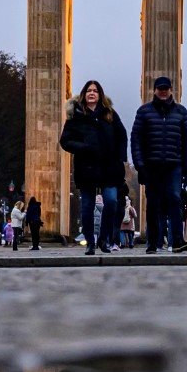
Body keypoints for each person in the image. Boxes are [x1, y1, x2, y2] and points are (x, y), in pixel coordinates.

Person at [61, 79, 130, 254]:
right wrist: (83, 147)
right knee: (87, 206)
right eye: (89, 90)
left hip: (109, 166)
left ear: (100, 95)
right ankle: (90, 241)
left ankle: (104, 239)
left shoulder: (109, 113)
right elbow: (65, 141)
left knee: (112, 202)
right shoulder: (75, 116)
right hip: (87, 167)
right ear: (84, 94)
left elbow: (122, 135)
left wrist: (121, 158)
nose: (92, 93)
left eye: (95, 91)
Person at [130, 76, 187, 254]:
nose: (164, 91)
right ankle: (153, 242)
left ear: (171, 89)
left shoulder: (181, 112)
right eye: (160, 88)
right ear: (155, 90)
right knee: (153, 203)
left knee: (175, 199)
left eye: (166, 88)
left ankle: (178, 240)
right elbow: (136, 140)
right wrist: (140, 166)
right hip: (152, 165)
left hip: (174, 165)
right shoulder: (144, 111)